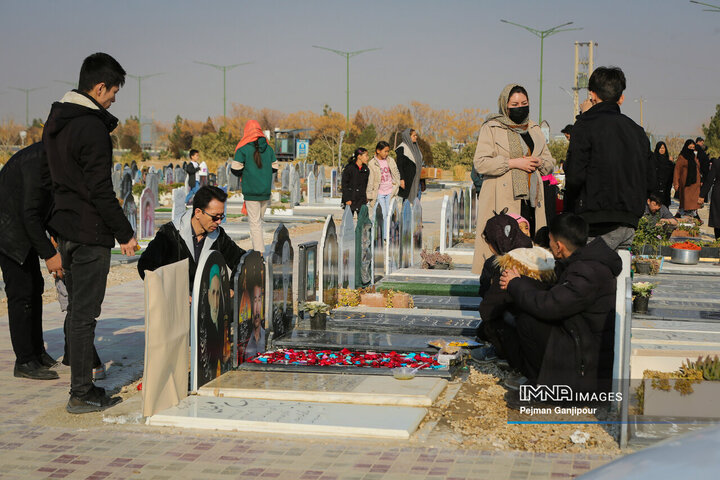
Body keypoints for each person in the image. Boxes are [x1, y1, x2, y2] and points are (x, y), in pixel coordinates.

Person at [43, 52, 138, 413]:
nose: (113, 99)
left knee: (77, 314)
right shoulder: (92, 127)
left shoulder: (58, 121)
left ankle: (83, 386)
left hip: (64, 230)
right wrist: (125, 233)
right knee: (84, 315)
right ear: (99, 87)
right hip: (88, 233)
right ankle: (80, 391)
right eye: (113, 92)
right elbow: (99, 189)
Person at [499, 214, 621, 393]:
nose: (549, 245)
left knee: (527, 322)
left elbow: (549, 306)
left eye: (550, 241)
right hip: (582, 334)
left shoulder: (587, 272)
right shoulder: (586, 262)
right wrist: (520, 281)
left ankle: (544, 384)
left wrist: (515, 284)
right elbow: (556, 292)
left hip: (587, 356)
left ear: (559, 246)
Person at [564, 66, 654, 250]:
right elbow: (649, 178)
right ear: (621, 98)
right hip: (628, 221)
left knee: (588, 275)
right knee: (618, 275)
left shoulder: (584, 126)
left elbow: (574, 176)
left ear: (592, 95)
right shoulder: (637, 131)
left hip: (594, 221)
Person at [471, 84, 556, 273]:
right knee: (504, 250)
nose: (520, 107)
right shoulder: (492, 127)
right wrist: (513, 163)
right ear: (505, 105)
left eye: (524, 103)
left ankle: (526, 288)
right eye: (515, 104)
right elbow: (481, 163)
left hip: (532, 201)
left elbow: (550, 162)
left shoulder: (534, 129)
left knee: (529, 249)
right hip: (503, 200)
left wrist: (538, 161)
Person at [0, 143, 62, 380]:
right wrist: (49, 254)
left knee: (34, 289)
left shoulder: (48, 154)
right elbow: (30, 212)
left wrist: (55, 233)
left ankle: (36, 352)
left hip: (20, 230)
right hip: (9, 233)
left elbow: (47, 203)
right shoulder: (39, 160)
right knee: (21, 295)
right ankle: (25, 360)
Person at [138, 186, 246, 288]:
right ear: (198, 212)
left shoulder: (219, 236)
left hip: (207, 303)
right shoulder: (169, 234)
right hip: (176, 304)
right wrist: (173, 293)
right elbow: (146, 265)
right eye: (214, 217)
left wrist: (232, 287)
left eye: (221, 217)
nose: (219, 222)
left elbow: (241, 260)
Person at [230, 120, 277, 253]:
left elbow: (235, 169)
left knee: (255, 224)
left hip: (251, 191)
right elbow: (275, 167)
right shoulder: (268, 149)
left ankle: (259, 253)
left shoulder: (243, 148)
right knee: (259, 222)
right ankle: (258, 249)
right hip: (265, 191)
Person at [366, 141, 401, 218]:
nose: (387, 153)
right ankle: (383, 230)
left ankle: (388, 230)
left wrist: (397, 183)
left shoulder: (390, 160)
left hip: (390, 191)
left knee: (390, 213)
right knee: (383, 213)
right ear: (378, 151)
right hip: (379, 192)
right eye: (385, 151)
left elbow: (396, 172)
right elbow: (370, 180)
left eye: (388, 151)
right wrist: (369, 194)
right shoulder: (372, 163)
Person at [673, 139, 701, 220]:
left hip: (695, 183)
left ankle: (695, 216)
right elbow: (677, 170)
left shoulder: (694, 157)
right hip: (685, 183)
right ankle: (681, 215)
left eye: (693, 145)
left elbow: (698, 168)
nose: (692, 147)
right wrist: (676, 183)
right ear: (686, 146)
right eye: (690, 145)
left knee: (694, 201)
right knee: (685, 201)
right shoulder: (682, 157)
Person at [395, 128, 422, 204]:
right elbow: (399, 166)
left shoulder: (416, 148)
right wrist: (401, 179)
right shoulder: (402, 148)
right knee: (407, 204)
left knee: (417, 206)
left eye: (416, 135)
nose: (416, 137)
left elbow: (419, 165)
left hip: (417, 182)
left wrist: (423, 181)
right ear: (407, 136)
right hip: (408, 181)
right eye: (414, 136)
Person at [341, 147, 370, 213]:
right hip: (351, 198)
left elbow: (366, 184)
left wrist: (366, 197)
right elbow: (344, 184)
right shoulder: (349, 168)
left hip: (361, 199)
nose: (367, 158)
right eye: (366, 156)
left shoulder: (366, 169)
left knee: (362, 221)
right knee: (348, 220)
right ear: (359, 156)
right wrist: (347, 199)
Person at [700, 159, 720, 239]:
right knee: (718, 219)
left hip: (718, 193)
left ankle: (718, 241)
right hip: (718, 194)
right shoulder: (717, 162)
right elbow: (709, 180)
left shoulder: (717, 162)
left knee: (718, 220)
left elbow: (709, 180)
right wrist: (701, 195)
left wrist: (702, 195)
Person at [653, 141, 674, 207]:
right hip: (655, 186)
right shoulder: (653, 159)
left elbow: (671, 173)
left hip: (666, 187)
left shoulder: (668, 161)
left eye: (663, 148)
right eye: (660, 148)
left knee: (665, 205)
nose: (662, 150)